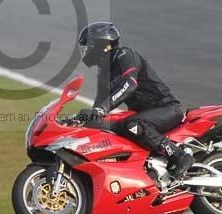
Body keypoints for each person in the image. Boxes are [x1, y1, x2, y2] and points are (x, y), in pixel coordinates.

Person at [75, 22, 194, 178]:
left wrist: (101, 110)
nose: (87, 51)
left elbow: (129, 84)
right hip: (145, 114)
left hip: (166, 109)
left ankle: (179, 156)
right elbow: (99, 105)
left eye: (90, 47)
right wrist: (79, 119)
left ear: (103, 46)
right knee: (103, 124)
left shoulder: (125, 56)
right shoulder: (104, 72)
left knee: (133, 125)